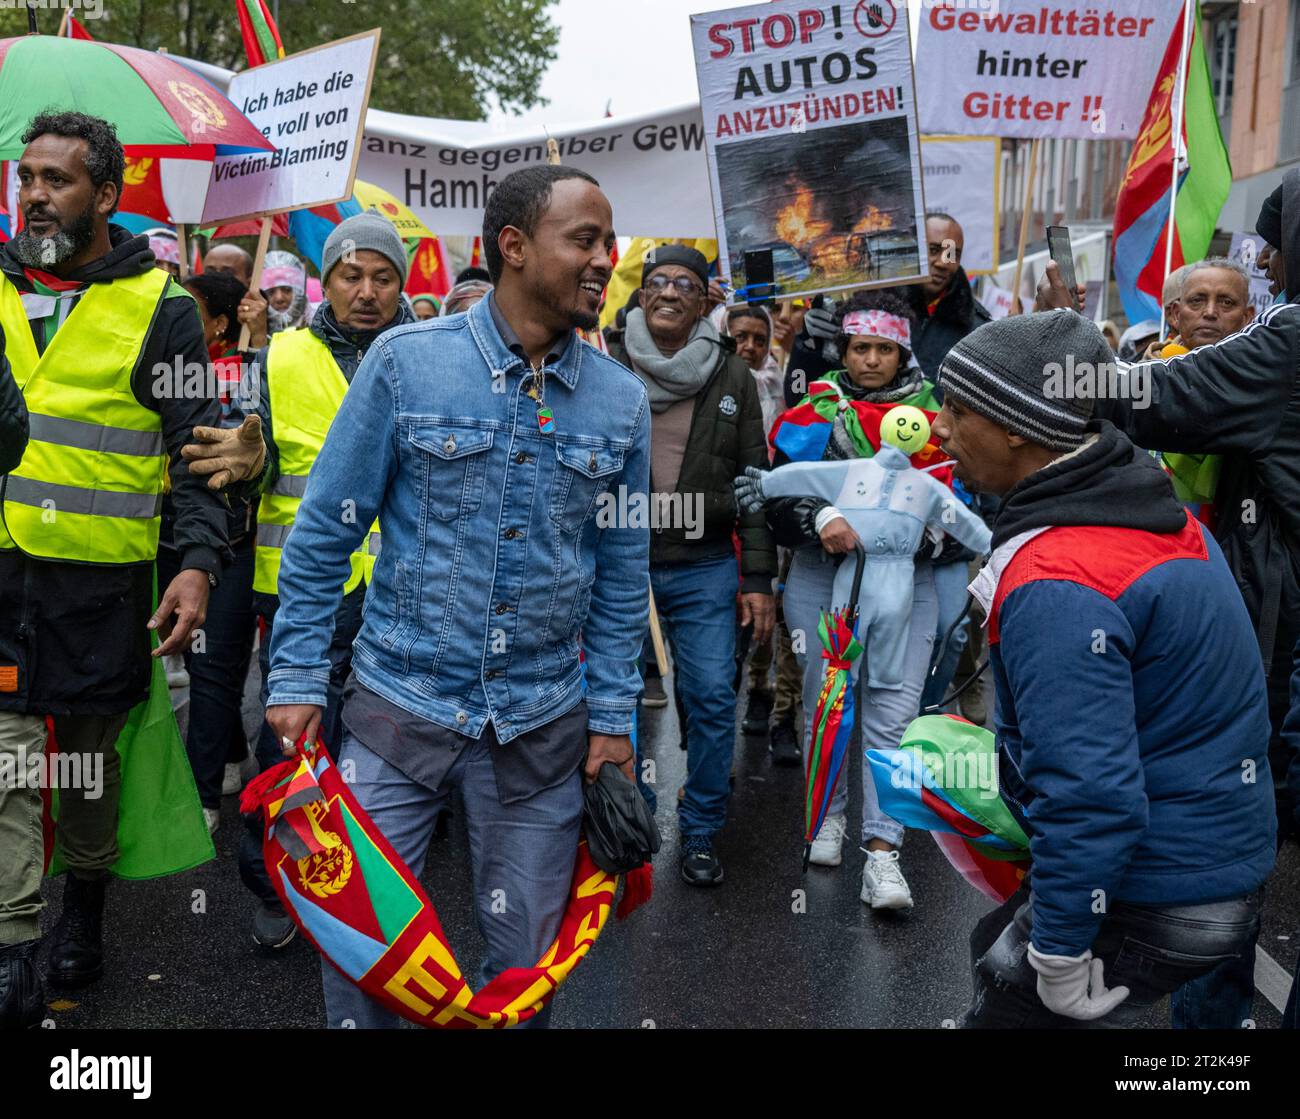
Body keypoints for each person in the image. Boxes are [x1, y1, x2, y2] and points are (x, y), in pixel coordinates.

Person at [264, 165, 648, 1029]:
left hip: (541, 730)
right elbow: (324, 531)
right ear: (513, 247)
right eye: (583, 240)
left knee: (524, 975)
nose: (603, 259)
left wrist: (616, 720)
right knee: (361, 955)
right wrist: (292, 676)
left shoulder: (621, 402)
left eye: (606, 241)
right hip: (396, 716)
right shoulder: (408, 366)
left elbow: (623, 576)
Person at [931, 310, 1275, 1028]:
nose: (939, 428)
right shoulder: (1150, 510)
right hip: (1214, 862)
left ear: (1018, 425)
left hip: (1168, 889)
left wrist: (1056, 957)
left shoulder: (1060, 576)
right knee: (988, 944)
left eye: (957, 411)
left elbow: (1093, 798)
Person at [0, 112, 260, 1026]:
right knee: (7, 761)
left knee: (89, 772)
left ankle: (87, 906)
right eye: (26, 175)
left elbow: (196, 449)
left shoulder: (166, 308)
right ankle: (16, 945)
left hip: (102, 588)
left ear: (105, 196)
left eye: (57, 179)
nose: (34, 192)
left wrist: (195, 564)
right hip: (2, 582)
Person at [1037, 167, 1300, 1027]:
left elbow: (1153, 398)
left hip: (1273, 650)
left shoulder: (1289, 342)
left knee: (1223, 852)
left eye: (1268, 245)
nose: (1257, 264)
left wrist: (1057, 349)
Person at [238, 211, 415, 950]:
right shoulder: (279, 357)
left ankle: (363, 893)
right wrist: (246, 460)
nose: (366, 291)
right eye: (351, 274)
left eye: (382, 276)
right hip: (306, 592)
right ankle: (272, 881)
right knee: (291, 737)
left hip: (405, 589)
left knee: (386, 752)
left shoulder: (429, 357)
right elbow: (241, 457)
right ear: (326, 281)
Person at [765, 290, 942, 905]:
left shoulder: (937, 420)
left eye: (884, 350)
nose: (871, 360)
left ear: (902, 354)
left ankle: (885, 851)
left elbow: (967, 498)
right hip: (821, 577)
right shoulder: (813, 411)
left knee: (895, 715)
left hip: (906, 585)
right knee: (825, 704)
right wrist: (821, 519)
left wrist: (925, 528)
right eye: (860, 348)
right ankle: (827, 815)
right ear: (843, 350)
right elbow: (776, 499)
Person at [607, 245, 775, 886]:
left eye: (685, 283)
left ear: (706, 300)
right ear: (642, 294)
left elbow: (752, 482)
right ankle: (632, 819)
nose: (670, 291)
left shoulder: (734, 375)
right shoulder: (605, 360)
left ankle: (701, 828)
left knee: (709, 698)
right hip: (621, 563)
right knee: (614, 701)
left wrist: (757, 578)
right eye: (657, 282)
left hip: (706, 566)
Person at [155, 271, 260, 835]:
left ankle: (200, 806)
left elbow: (238, 459)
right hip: (164, 537)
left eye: (188, 311)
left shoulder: (246, 375)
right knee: (188, 662)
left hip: (230, 542)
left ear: (220, 325)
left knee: (213, 668)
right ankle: (230, 754)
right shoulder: (159, 368)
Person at [714, 303, 802, 758]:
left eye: (759, 339)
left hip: (779, 516)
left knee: (785, 616)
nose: (749, 347)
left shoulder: (786, 387)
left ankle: (782, 712)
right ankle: (753, 692)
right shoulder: (708, 386)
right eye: (738, 337)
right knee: (744, 617)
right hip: (734, 523)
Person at [205, 241, 269, 350]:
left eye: (227, 273)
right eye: (210, 272)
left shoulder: (261, 319)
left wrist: (258, 336)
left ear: (250, 281)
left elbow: (261, 365)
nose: (216, 279)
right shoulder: (194, 314)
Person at [259, 249, 310, 334]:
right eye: (270, 292)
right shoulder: (249, 335)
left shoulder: (320, 331)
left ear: (300, 290)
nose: (279, 298)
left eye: (287, 290)